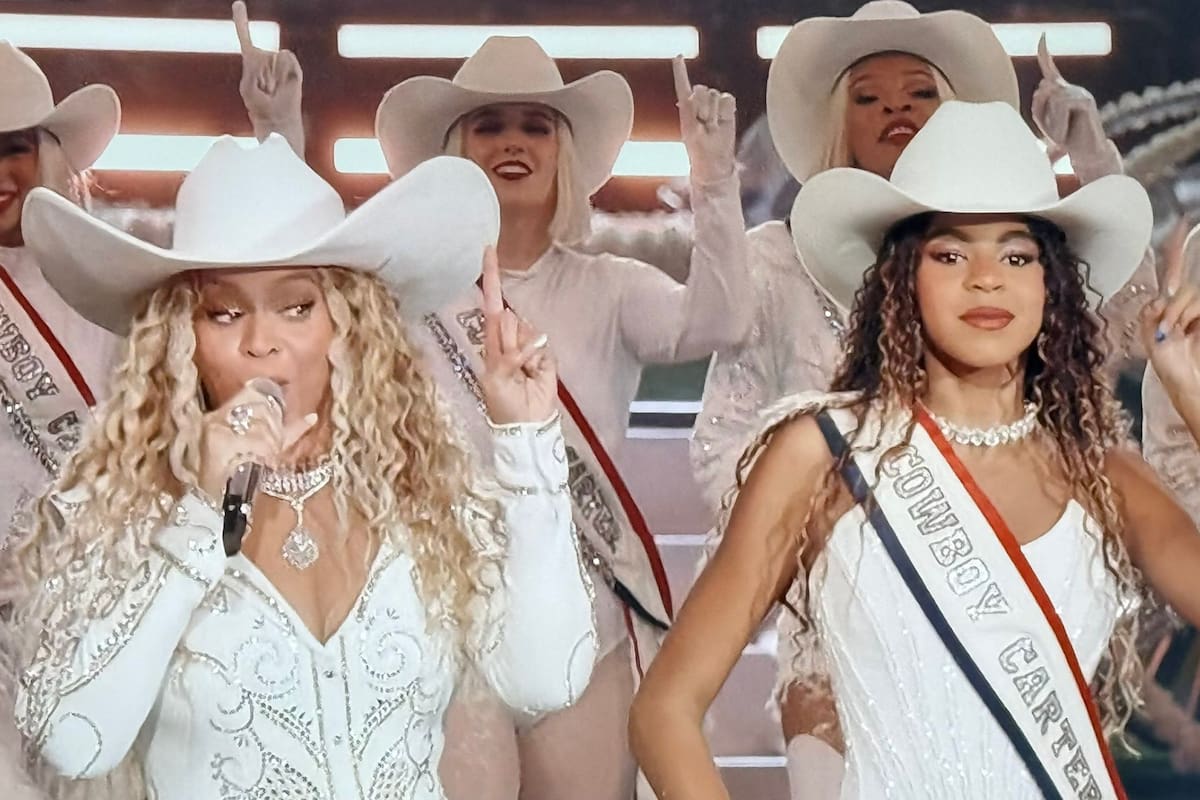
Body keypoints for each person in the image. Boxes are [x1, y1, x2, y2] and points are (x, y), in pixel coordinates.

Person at [630, 99, 1200, 800]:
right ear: (903, 279)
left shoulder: (1102, 475)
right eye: (951, 252)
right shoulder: (825, 454)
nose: (985, 277)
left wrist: (1194, 399)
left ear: (1050, 286)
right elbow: (665, 709)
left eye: (1017, 254)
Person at [4, 134, 597, 800]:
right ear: (181, 340)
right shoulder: (128, 517)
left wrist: (526, 441)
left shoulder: (425, 501)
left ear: (348, 326)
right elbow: (74, 741)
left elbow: (550, 678)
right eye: (224, 312)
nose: (261, 342)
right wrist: (200, 513)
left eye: (296, 307)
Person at [368, 34, 750, 800]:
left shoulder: (611, 287)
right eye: (490, 125)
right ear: (456, 150)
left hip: (585, 615)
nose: (513, 142)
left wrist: (712, 181)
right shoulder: (401, 292)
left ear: (561, 153)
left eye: (535, 126)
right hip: (441, 614)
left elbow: (724, 320)